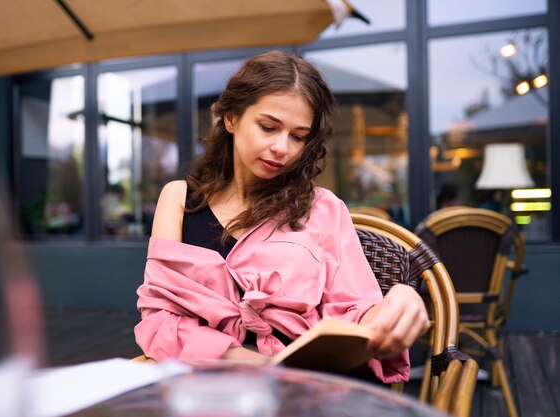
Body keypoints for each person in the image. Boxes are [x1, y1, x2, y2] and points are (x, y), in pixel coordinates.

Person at [134, 50, 429, 384]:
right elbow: (159, 320)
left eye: (298, 136)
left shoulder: (323, 209)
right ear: (231, 119)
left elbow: (356, 311)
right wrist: (257, 366)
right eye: (268, 127)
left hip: (307, 392)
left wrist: (400, 301)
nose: (282, 148)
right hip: (209, 387)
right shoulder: (179, 199)